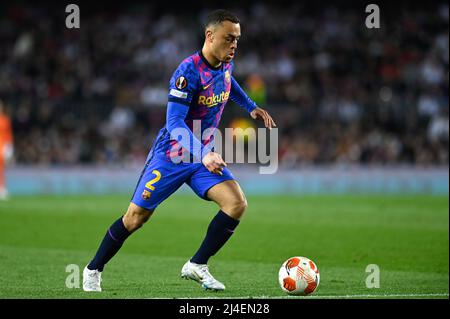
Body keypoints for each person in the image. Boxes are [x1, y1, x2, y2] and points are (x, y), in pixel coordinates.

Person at [83, 9, 276, 292]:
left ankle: (197, 265)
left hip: (200, 156)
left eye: (237, 39)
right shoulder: (188, 71)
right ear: (210, 36)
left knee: (236, 203)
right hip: (172, 155)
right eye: (228, 38)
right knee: (135, 218)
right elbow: (173, 123)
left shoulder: (225, 62)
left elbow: (228, 83)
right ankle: (93, 269)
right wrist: (204, 153)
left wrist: (251, 107)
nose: (234, 45)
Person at [0, 100, 13, 200]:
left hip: (2, 147)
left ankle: (2, 188)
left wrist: (9, 148)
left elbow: (8, 135)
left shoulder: (5, 120)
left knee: (1, 169)